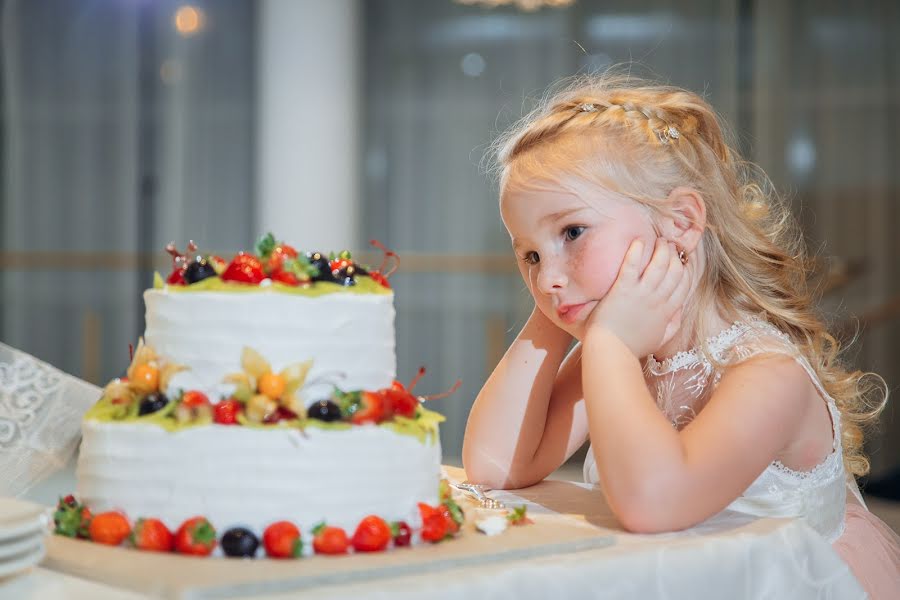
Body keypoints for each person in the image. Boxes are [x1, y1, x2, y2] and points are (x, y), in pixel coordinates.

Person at [462, 71, 900, 597]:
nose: (546, 275)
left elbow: (654, 504)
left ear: (681, 222)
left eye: (572, 233)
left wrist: (608, 344)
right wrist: (554, 317)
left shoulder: (766, 374)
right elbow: (494, 467)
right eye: (529, 254)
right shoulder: (621, 353)